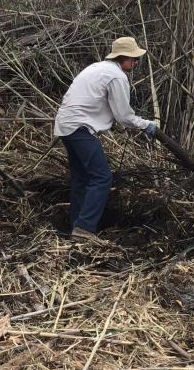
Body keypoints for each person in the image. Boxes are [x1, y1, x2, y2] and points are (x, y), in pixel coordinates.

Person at [54, 36, 157, 239]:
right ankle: (84, 228)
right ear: (123, 58)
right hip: (79, 127)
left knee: (81, 177)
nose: (136, 63)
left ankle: (75, 225)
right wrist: (146, 125)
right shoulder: (117, 77)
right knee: (102, 177)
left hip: (65, 125)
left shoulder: (97, 67)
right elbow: (124, 116)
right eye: (134, 59)